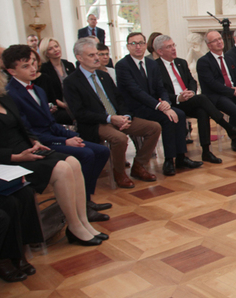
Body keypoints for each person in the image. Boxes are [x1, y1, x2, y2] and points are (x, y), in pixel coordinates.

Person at [0, 52, 107, 247]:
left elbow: (23, 128)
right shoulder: (11, 93)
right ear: (11, 71)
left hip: (27, 149)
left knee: (73, 162)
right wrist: (16, 156)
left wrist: (33, 142)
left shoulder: (0, 96)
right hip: (2, 160)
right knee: (62, 168)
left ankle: (83, 221)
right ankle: (74, 226)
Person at [3, 45, 112, 215]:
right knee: (87, 154)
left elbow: (51, 123)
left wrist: (73, 135)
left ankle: (85, 199)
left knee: (101, 151)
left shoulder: (38, 89)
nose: (33, 69)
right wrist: (63, 141)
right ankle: (80, 205)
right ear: (12, 71)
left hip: (52, 135)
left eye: (33, 63)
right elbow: (28, 132)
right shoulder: (10, 94)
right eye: (25, 66)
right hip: (39, 144)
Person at [63, 38, 162, 189]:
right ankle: (119, 173)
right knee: (119, 138)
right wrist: (110, 118)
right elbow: (80, 113)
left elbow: (119, 99)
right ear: (79, 58)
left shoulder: (103, 75)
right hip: (97, 123)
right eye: (91, 55)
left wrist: (126, 116)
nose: (97, 57)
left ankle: (139, 165)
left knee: (154, 127)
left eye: (97, 54)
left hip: (118, 117)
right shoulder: (71, 81)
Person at [115, 32, 202, 177]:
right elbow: (135, 91)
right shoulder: (122, 65)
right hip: (136, 108)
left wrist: (166, 104)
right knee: (167, 118)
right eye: (134, 43)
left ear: (145, 45)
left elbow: (160, 88)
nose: (138, 47)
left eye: (141, 43)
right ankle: (169, 160)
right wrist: (160, 106)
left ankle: (181, 158)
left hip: (154, 105)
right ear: (128, 46)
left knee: (179, 114)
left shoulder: (151, 64)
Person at [154, 34, 236, 163]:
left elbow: (192, 81)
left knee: (202, 111)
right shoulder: (155, 67)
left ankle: (206, 151)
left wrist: (191, 91)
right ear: (160, 51)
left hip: (187, 99)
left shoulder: (181, 62)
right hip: (172, 103)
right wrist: (177, 97)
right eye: (169, 47)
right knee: (203, 99)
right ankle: (229, 128)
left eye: (173, 45)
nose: (173, 49)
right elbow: (158, 90)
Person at [38, 37, 75, 125]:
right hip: (59, 107)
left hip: (74, 101)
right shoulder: (44, 69)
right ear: (46, 53)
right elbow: (49, 95)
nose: (55, 50)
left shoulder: (68, 65)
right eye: (50, 49)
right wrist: (66, 105)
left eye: (56, 46)